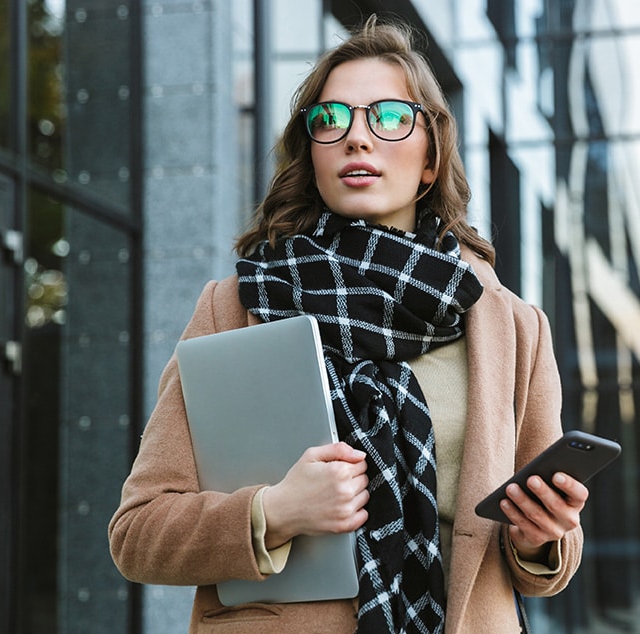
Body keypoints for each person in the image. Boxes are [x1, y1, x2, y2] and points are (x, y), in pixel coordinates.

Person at [109, 15, 586, 634]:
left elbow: (539, 566)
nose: (357, 139)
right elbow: (137, 532)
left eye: (388, 117)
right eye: (331, 120)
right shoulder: (238, 306)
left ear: (430, 159)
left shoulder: (513, 328)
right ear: (312, 155)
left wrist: (544, 538)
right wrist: (273, 512)